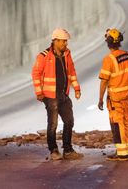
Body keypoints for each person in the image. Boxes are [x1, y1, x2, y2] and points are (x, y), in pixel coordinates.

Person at [32, 28, 83, 161]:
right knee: (53, 124)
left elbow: (71, 72)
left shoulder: (67, 54)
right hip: (50, 95)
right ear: (55, 41)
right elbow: (36, 74)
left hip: (63, 95)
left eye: (66, 41)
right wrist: (39, 92)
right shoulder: (43, 56)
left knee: (69, 121)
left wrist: (76, 88)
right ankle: (53, 150)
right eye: (63, 41)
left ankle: (67, 150)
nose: (66, 44)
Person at [97, 28, 128, 161]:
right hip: (127, 95)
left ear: (108, 43)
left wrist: (100, 99)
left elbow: (104, 81)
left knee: (117, 123)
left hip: (115, 98)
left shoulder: (109, 59)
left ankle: (121, 153)